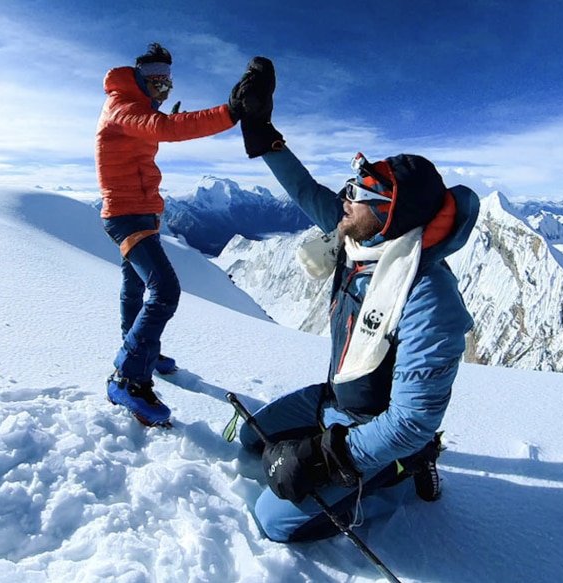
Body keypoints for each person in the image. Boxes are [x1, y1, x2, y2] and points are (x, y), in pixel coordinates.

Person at [234, 58, 480, 542]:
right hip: (335, 399)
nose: (346, 198)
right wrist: (261, 128)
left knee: (272, 519)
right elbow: (303, 187)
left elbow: (410, 420)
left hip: (377, 431)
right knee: (250, 441)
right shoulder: (358, 240)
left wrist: (330, 457)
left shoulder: (428, 295)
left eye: (361, 193)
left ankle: (404, 477)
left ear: (391, 216)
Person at [96, 43, 266, 426]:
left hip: (139, 212)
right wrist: (231, 112)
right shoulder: (122, 108)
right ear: (141, 78)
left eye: (168, 81)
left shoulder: (136, 107)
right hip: (127, 216)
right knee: (165, 291)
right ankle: (128, 378)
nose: (164, 87)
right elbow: (164, 129)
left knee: (135, 288)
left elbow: (156, 125)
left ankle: (139, 352)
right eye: (157, 80)